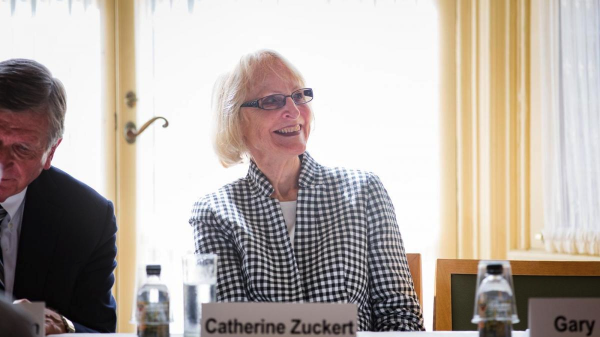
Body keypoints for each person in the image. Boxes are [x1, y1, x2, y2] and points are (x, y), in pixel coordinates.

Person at [189, 50, 424, 331]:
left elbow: (401, 315)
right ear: (237, 121)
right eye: (272, 101)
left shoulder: (364, 191)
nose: (294, 111)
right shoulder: (214, 212)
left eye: (299, 96)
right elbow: (231, 329)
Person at [0, 59, 117, 334]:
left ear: (50, 152)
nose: (2, 163)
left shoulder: (88, 216)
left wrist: (64, 326)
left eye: (22, 149)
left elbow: (100, 330)